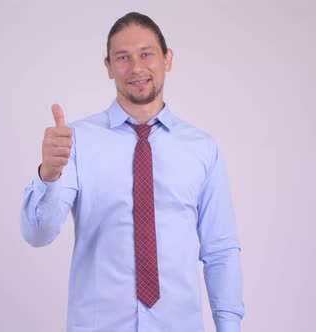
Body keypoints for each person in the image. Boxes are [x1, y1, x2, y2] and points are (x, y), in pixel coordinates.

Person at [21, 12, 244, 332]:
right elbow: (38, 235)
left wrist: (229, 326)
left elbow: (220, 249)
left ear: (167, 59)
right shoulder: (74, 142)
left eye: (146, 54)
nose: (136, 67)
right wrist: (49, 174)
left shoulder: (202, 148)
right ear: (108, 67)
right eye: (122, 57)